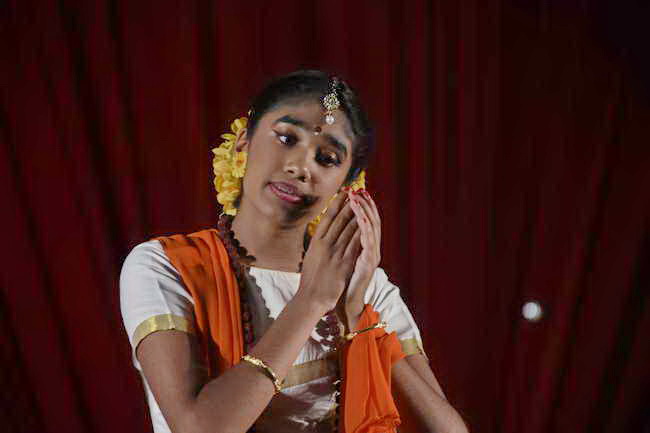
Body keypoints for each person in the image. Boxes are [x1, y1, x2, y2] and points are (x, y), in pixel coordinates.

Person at [120, 70, 469, 433]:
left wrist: (358, 317)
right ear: (243, 143)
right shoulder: (166, 265)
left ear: (347, 186)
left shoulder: (367, 287)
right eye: (287, 138)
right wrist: (311, 301)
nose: (300, 167)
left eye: (327, 158)